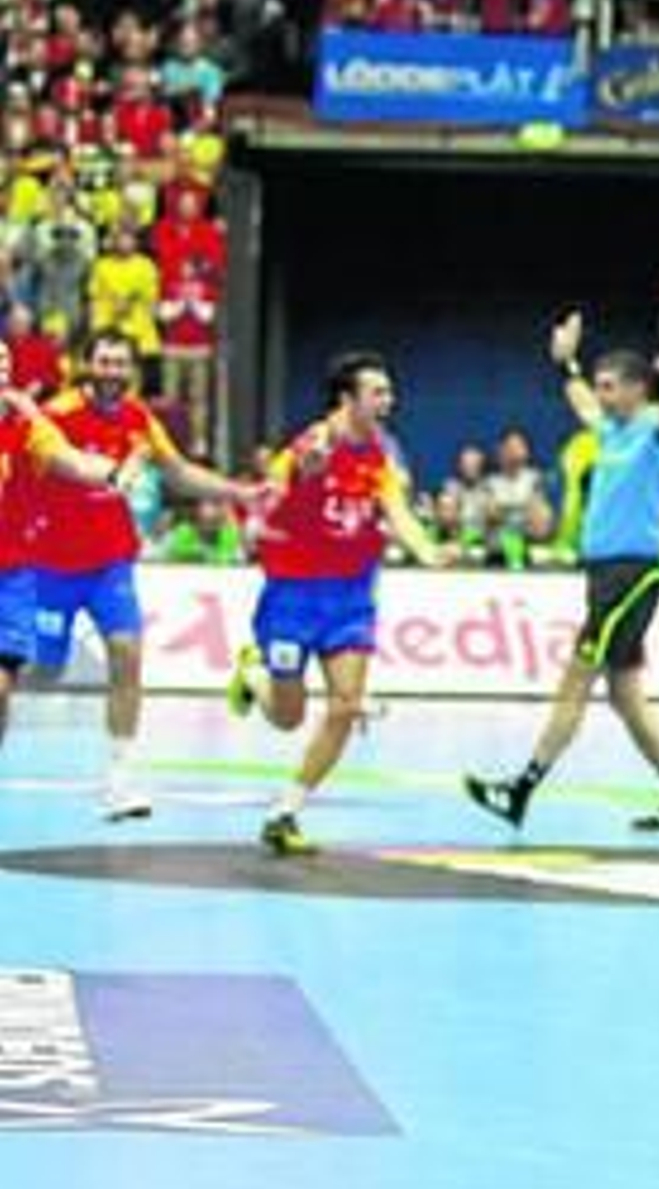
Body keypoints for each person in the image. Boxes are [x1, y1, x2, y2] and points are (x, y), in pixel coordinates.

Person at [463, 312, 659, 834]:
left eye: (610, 386)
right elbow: (581, 401)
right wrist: (566, 361)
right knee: (626, 696)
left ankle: (519, 790)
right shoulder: (609, 431)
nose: (601, 395)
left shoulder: (654, 432)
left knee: (576, 679)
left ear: (637, 389)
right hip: (605, 576)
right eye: (600, 385)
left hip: (630, 577)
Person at [30, 329, 264, 820]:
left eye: (121, 363)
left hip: (110, 563)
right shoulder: (56, 416)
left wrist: (237, 492)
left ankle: (120, 781)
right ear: (85, 365)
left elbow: (179, 472)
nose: (113, 372)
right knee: (40, 672)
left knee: (127, 654)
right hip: (49, 564)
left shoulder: (139, 419)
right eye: (104, 362)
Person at [226, 350, 445, 856]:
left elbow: (397, 512)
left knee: (345, 706)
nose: (388, 401)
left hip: (350, 597)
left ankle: (285, 812)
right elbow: (265, 508)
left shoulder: (381, 455)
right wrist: (300, 481)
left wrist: (429, 551)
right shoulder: (309, 446)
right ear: (348, 399)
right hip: (293, 595)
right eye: (377, 392)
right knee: (288, 716)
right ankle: (255, 676)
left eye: (389, 392)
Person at [0, 344, 128, 752]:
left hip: (10, 576)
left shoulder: (29, 427)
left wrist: (111, 472)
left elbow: (71, 460)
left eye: (4, 364)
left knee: (1, 687)